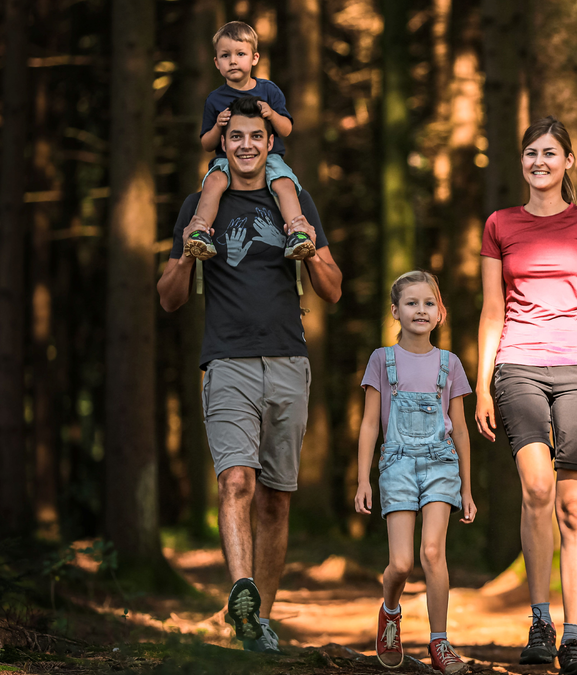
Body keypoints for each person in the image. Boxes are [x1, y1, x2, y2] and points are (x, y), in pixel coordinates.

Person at [157, 97, 343, 653]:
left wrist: (308, 250)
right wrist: (190, 254)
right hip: (228, 362)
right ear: (223, 142)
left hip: (289, 360)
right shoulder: (201, 206)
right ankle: (241, 594)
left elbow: (333, 290)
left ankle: (259, 620)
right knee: (236, 481)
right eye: (235, 136)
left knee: (276, 499)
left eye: (255, 137)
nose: (245, 145)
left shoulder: (295, 200)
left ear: (269, 144)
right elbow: (168, 298)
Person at [474, 116, 577, 675]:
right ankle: (538, 620)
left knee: (575, 506)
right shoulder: (500, 224)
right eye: (530, 153)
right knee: (538, 489)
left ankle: (572, 635)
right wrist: (482, 382)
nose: (539, 162)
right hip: (518, 367)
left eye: (549, 153)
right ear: (522, 162)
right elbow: (492, 310)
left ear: (569, 163)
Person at [354, 271, 477, 675]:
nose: (420, 310)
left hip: (442, 464)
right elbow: (371, 424)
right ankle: (390, 612)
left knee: (432, 553)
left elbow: (459, 429)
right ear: (395, 311)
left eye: (428, 303)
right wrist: (362, 480)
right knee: (403, 563)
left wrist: (469, 490)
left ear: (440, 313)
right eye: (411, 303)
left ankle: (440, 643)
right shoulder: (381, 360)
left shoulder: (450, 363)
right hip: (398, 463)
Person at [185, 21, 315, 264]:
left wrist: (271, 114)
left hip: (269, 157)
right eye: (225, 56)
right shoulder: (214, 99)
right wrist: (218, 125)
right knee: (213, 180)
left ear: (254, 58)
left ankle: (298, 233)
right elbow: (206, 143)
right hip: (227, 159)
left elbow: (286, 129)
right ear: (216, 63)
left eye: (240, 54)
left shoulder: (269, 90)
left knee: (285, 183)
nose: (233, 61)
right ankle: (200, 233)